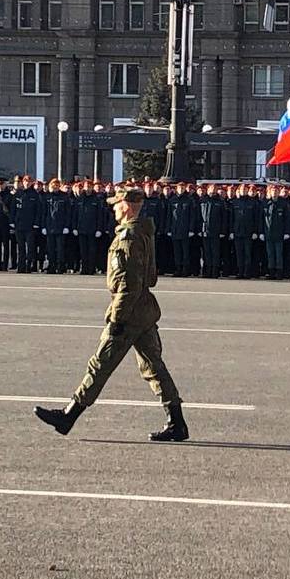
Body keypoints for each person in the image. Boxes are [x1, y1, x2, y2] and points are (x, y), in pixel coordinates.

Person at [34, 187, 189, 442]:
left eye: (116, 204)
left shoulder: (128, 237)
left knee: (100, 364)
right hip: (144, 311)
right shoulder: (144, 232)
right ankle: (177, 423)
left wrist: (117, 319)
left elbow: (129, 284)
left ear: (126, 205)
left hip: (129, 313)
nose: (113, 208)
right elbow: (150, 277)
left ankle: (68, 416)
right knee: (154, 367)